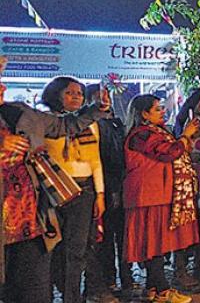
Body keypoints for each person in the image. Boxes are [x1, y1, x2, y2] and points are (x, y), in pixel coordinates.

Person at [0, 67, 110, 303]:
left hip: (30, 217)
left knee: (33, 286)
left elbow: (65, 126)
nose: (3, 87)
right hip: (6, 218)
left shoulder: (19, 113)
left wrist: (97, 110)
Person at [124, 95, 200, 303]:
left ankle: (153, 288)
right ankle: (163, 290)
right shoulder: (142, 134)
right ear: (144, 114)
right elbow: (169, 152)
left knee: (156, 244)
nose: (163, 112)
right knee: (155, 245)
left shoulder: (156, 132)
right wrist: (185, 136)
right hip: (149, 195)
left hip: (158, 193)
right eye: (158, 109)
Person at [41, 77, 107, 303]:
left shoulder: (91, 122)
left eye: (79, 93)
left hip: (84, 190)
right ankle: (46, 294)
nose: (77, 97)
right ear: (56, 95)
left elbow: (96, 160)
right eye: (70, 93)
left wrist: (100, 194)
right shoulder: (45, 121)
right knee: (50, 247)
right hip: (52, 190)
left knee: (77, 249)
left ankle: (73, 298)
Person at [83, 84, 132, 302]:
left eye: (106, 97)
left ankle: (126, 278)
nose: (103, 101)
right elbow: (99, 159)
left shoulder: (117, 124)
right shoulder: (92, 125)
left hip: (119, 186)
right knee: (104, 238)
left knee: (122, 237)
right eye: (97, 98)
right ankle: (107, 280)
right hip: (102, 187)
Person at [173, 73, 200, 286]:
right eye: (199, 99)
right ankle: (180, 271)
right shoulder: (182, 124)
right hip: (184, 186)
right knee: (182, 229)